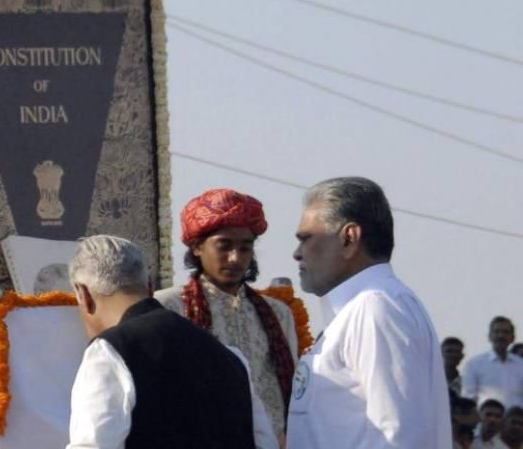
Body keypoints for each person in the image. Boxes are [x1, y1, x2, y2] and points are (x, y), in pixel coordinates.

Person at [66, 234, 277, 449]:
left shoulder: (110, 352)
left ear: (84, 295)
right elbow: (266, 443)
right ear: (149, 287)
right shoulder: (231, 357)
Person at [286, 177, 450, 448]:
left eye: (306, 239)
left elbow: (400, 436)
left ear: (349, 238)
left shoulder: (376, 308)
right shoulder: (362, 309)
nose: (297, 253)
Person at [156, 188, 298, 439]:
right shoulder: (169, 306)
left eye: (245, 248)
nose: (235, 258)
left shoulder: (278, 313)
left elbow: (294, 391)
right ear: (198, 247)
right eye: (224, 246)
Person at [463, 317, 523, 410]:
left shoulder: (520, 365)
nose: (501, 336)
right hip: (485, 421)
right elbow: (468, 399)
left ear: (512, 338)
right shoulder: (474, 364)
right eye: (497, 332)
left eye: (505, 332)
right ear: (489, 336)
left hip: (516, 422)